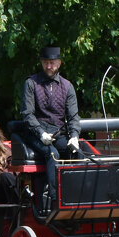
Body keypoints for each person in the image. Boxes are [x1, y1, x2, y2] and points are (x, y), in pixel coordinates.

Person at [19, 44, 81, 213]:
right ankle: (56, 202)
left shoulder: (67, 86)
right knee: (52, 153)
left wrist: (74, 136)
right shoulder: (31, 83)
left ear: (59, 63)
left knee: (78, 153)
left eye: (52, 63)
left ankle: (78, 197)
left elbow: (73, 117)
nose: (49, 66)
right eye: (46, 62)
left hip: (58, 132)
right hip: (35, 133)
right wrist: (41, 133)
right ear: (41, 63)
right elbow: (27, 114)